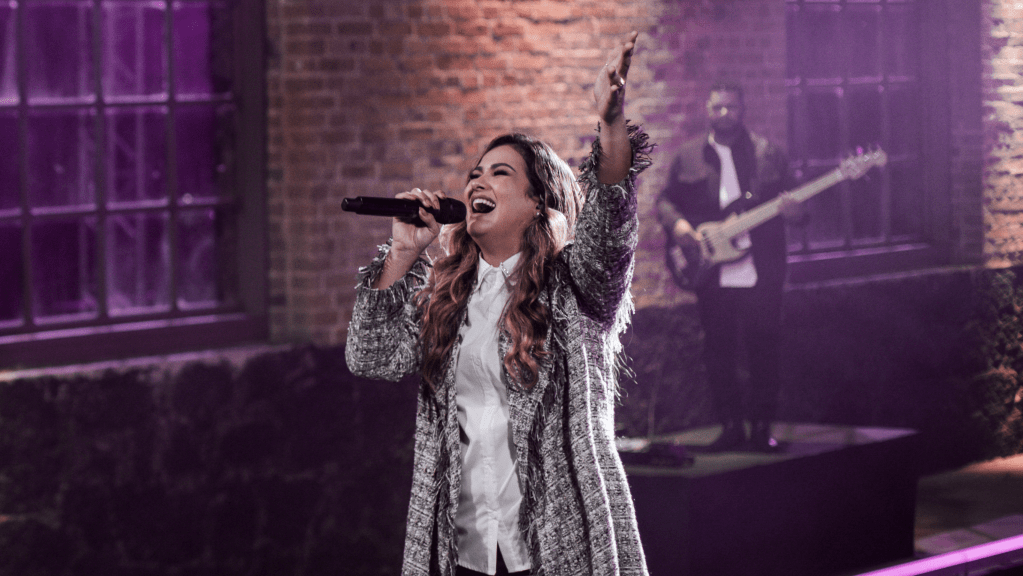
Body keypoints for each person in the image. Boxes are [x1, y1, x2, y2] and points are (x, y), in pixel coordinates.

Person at [345, 32, 651, 576]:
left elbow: (609, 226)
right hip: (464, 551)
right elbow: (372, 357)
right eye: (474, 174)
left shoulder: (573, 288)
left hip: (554, 551)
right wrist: (404, 251)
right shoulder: (449, 292)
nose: (476, 182)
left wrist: (610, 123)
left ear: (538, 203)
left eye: (499, 173)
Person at [656, 80, 801, 453]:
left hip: (762, 270)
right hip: (712, 271)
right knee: (719, 351)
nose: (724, 114)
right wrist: (680, 226)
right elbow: (665, 201)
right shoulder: (688, 156)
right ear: (708, 110)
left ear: (742, 110)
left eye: (731, 107)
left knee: (764, 349)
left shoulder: (768, 154)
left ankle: (762, 429)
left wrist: (795, 212)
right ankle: (731, 427)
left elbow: (800, 208)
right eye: (718, 107)